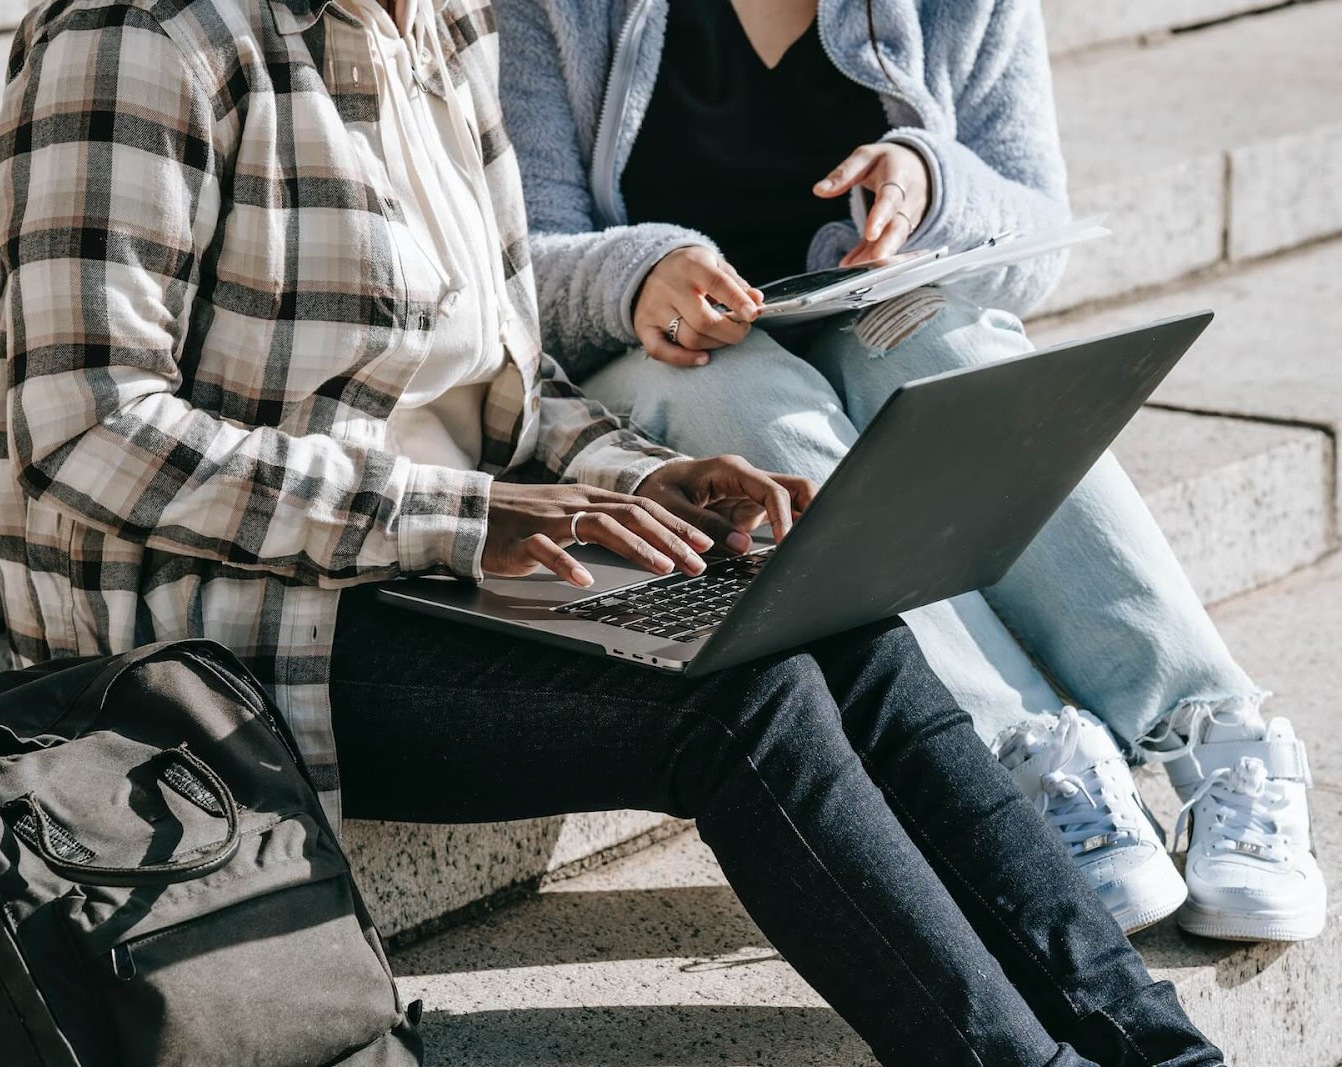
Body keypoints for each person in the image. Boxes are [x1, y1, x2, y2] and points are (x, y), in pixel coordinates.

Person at [0, 0, 1229, 1062]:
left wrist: (649, 472)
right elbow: (86, 430)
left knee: (829, 609)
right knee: (742, 700)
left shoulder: (443, 26)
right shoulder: (142, 35)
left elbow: (507, 383)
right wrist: (467, 515)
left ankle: (1160, 1045)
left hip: (450, 559)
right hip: (232, 630)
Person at [496, 0, 1325, 944]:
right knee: (747, 409)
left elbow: (1034, 239)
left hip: (870, 312)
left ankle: (1216, 729)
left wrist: (933, 184)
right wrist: (637, 274)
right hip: (665, 352)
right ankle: (1019, 750)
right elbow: (514, 262)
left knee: (958, 349)